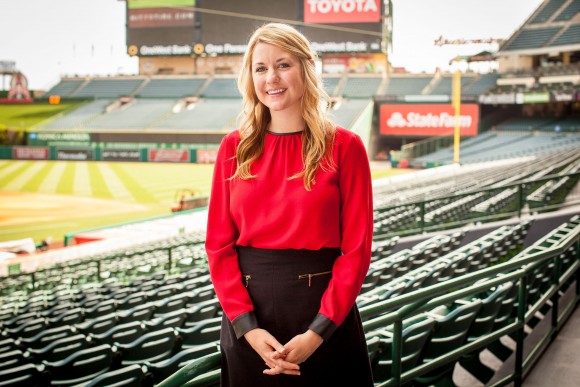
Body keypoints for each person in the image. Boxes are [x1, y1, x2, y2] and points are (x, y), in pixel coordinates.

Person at [205, 23, 374, 386]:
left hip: (325, 320)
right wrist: (247, 329)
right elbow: (218, 247)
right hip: (250, 324)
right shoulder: (233, 148)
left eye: (283, 64)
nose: (271, 78)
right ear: (250, 78)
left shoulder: (345, 146)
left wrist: (317, 333)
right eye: (260, 68)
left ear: (306, 68)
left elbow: (356, 251)